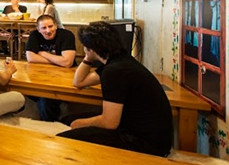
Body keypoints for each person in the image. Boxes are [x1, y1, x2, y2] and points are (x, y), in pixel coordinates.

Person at [57, 21, 173, 157]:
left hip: (144, 142)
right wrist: (88, 57)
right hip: (138, 129)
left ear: (91, 47)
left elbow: (109, 122)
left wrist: (80, 123)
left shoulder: (115, 71)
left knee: (64, 139)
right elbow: (79, 82)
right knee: (67, 119)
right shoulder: (119, 61)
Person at [25, 14, 76, 121]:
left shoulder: (66, 35)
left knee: (45, 99)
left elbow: (67, 62)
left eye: (50, 26)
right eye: (44, 28)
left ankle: (50, 123)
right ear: (38, 29)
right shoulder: (34, 35)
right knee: (28, 91)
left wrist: (43, 54)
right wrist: (58, 60)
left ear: (56, 26)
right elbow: (30, 58)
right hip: (40, 75)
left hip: (65, 76)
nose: (48, 30)